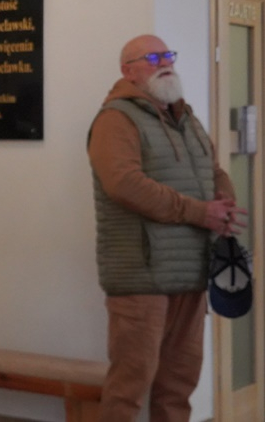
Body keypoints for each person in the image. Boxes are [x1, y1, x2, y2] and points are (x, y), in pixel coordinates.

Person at [87, 34, 246, 422]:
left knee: (178, 386)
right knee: (128, 389)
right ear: (128, 71)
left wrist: (223, 206)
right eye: (154, 58)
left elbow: (214, 171)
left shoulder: (186, 118)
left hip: (192, 274)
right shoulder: (115, 119)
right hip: (142, 278)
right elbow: (124, 184)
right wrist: (200, 212)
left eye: (168, 55)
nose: (166, 63)